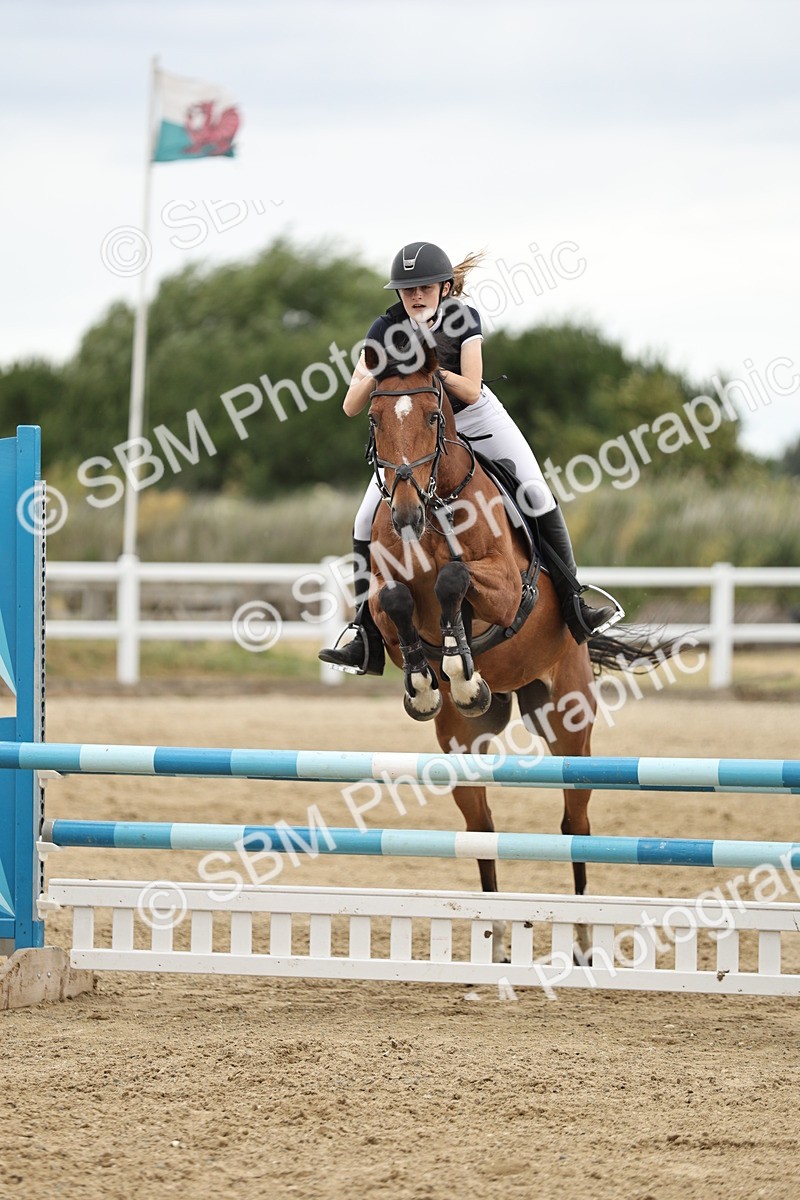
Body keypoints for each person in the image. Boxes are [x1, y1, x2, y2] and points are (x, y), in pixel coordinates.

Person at [319, 241, 622, 675]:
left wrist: (428, 371)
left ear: (444, 287)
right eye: (407, 290)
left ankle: (575, 601)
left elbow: (472, 389)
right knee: (364, 520)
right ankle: (365, 630)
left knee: (536, 491)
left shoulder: (462, 318)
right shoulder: (384, 329)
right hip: (416, 436)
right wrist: (380, 370)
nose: (415, 296)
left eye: (424, 287)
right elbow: (351, 406)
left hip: (475, 418)